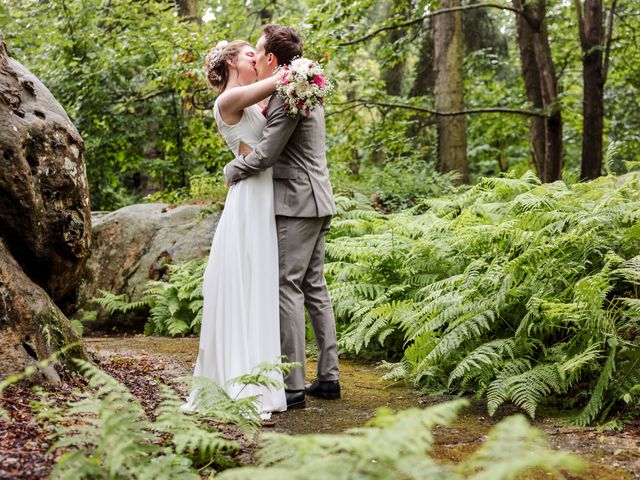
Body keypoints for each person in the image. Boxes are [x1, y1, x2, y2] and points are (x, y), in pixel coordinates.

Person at [224, 25, 340, 410]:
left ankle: (292, 385)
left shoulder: (289, 94)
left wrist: (233, 170)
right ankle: (329, 377)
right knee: (314, 287)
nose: (255, 58)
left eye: (258, 52)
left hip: (297, 202)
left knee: (286, 286)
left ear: (273, 59)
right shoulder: (302, 87)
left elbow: (267, 153)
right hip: (318, 197)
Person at [183, 39, 286, 418]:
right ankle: (241, 381)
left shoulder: (250, 100)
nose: (255, 59)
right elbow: (278, 82)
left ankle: (261, 379)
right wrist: (302, 70)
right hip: (248, 201)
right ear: (230, 61)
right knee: (247, 281)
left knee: (259, 285)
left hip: (264, 195)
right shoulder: (228, 100)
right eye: (249, 54)